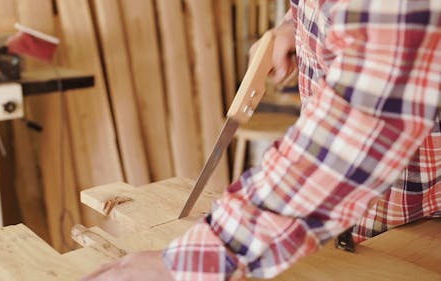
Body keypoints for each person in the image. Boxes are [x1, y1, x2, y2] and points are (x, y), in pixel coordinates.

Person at [83, 0, 440, 280]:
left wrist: (207, 254)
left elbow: (365, 123)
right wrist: (294, 24)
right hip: (370, 218)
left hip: (425, 226)